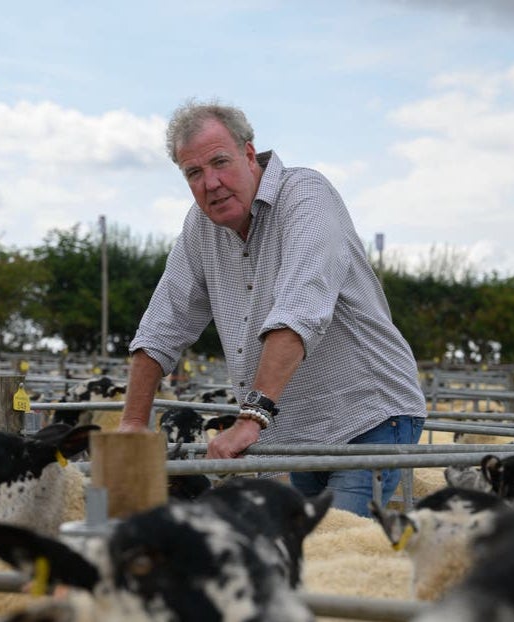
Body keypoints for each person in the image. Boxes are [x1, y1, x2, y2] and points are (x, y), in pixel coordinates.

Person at [118, 99, 427, 516]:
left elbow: (300, 307)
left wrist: (250, 420)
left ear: (249, 154)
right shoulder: (200, 227)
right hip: (296, 431)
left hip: (365, 416)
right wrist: (132, 428)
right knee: (298, 553)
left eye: (220, 162)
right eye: (194, 172)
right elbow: (162, 324)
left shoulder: (305, 197)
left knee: (335, 552)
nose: (211, 183)